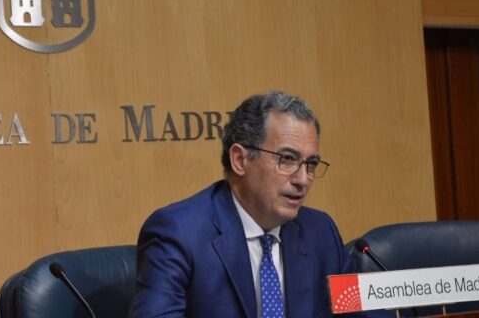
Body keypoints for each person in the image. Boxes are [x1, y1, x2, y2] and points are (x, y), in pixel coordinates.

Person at [128, 90, 390, 318]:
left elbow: (363, 315)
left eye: (311, 164)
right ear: (240, 160)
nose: (303, 180)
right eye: (287, 159)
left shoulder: (320, 231)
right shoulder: (179, 234)